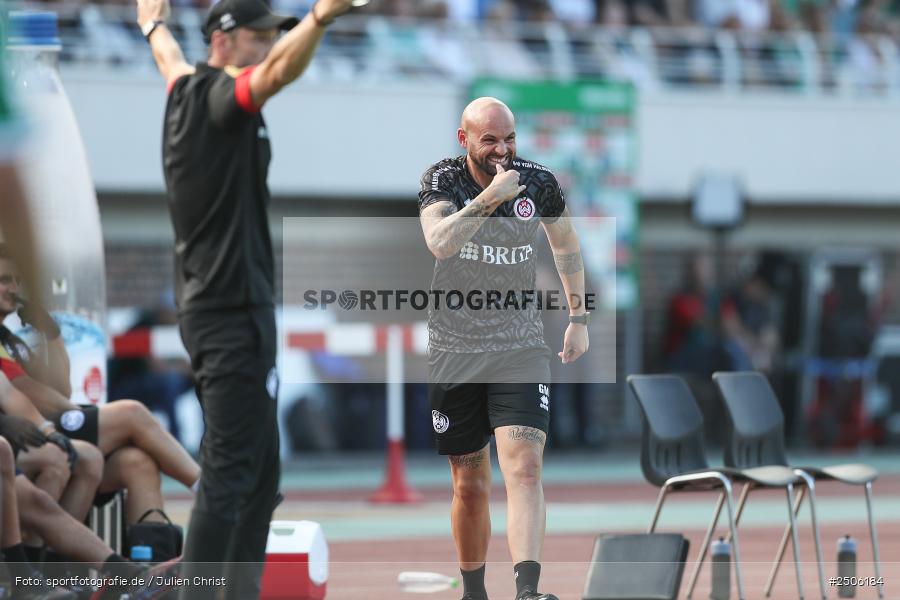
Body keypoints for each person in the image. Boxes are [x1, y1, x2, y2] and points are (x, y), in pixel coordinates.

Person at [136, 0, 355, 596]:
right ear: (225, 41)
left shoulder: (184, 85)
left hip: (229, 311)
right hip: (229, 312)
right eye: (258, 38)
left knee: (260, 475)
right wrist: (321, 18)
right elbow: (279, 73)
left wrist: (153, 24)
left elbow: (169, 59)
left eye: (271, 37)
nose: (267, 48)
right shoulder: (216, 102)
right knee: (233, 472)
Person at [418, 97, 589, 600]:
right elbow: (440, 242)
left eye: (509, 138)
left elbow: (566, 243)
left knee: (525, 466)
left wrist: (578, 318)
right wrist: (489, 198)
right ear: (464, 138)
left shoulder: (537, 182)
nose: (502, 149)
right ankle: (474, 591)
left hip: (520, 346)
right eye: (490, 139)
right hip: (456, 349)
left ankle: (527, 591)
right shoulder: (442, 180)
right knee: (470, 484)